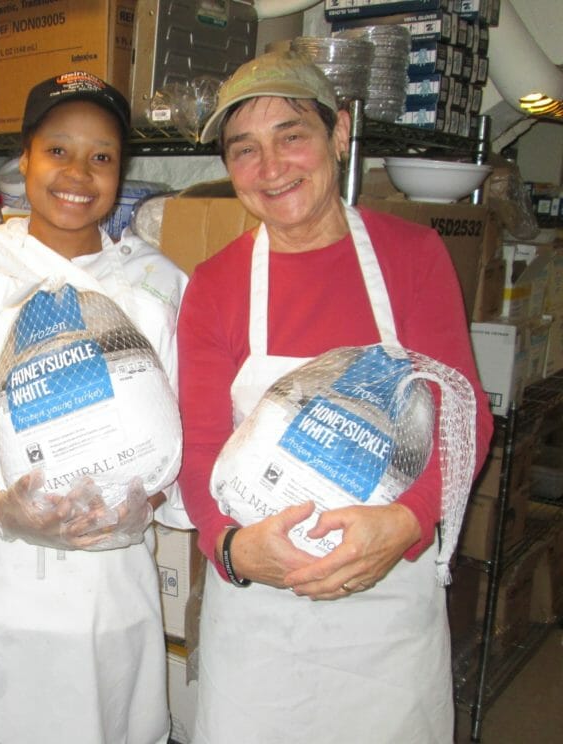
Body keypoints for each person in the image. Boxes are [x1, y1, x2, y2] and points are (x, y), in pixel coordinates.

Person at [177, 51, 495, 743]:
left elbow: (462, 414)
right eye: (245, 150)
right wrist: (230, 548)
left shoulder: (412, 258)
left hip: (384, 603)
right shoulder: (216, 285)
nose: (272, 167)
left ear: (340, 133)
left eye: (292, 135)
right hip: (260, 606)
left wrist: (407, 524)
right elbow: (200, 445)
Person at [0, 71, 190, 744]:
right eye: (58, 150)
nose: (78, 173)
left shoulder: (156, 282)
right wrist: (1, 505)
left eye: (102, 157)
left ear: (122, 171)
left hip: (109, 590)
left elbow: (180, 434)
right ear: (25, 158)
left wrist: (139, 502)